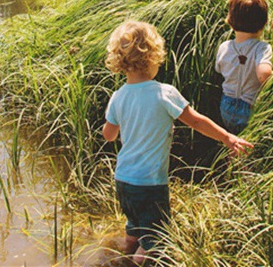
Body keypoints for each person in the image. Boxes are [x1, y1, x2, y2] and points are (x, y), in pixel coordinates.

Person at [102, 20, 253, 265]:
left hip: (123, 181)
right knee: (156, 242)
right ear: (154, 57)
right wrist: (227, 137)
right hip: (150, 184)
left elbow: (108, 135)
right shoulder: (164, 93)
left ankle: (123, 256)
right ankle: (135, 262)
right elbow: (196, 121)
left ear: (120, 61)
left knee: (134, 230)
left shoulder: (118, 97)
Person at [215, 0, 273, 135]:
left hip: (226, 105)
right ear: (263, 23)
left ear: (230, 22)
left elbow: (219, 69)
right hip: (248, 108)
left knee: (234, 137)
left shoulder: (224, 47)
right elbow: (264, 74)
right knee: (248, 139)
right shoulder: (262, 48)